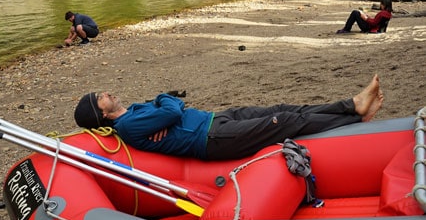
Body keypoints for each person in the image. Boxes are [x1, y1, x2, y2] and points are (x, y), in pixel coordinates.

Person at [74, 75, 383, 161]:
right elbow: (171, 108)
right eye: (101, 96)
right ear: (100, 112)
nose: (107, 92)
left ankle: (351, 104)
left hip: (216, 119)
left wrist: (167, 108)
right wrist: (165, 102)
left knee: (282, 109)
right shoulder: (127, 124)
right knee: (284, 123)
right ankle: (356, 120)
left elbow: (170, 110)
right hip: (212, 139)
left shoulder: (135, 112)